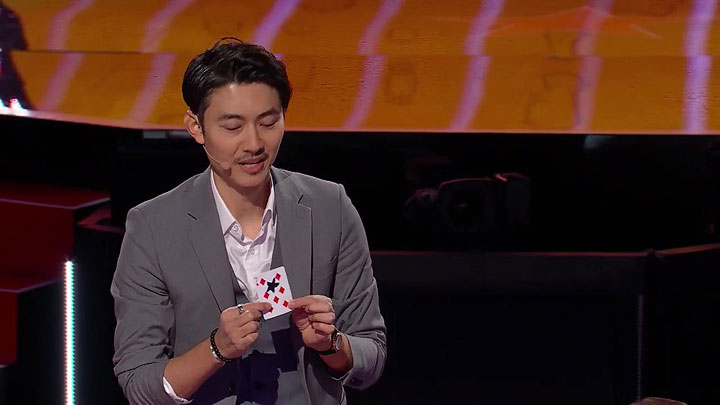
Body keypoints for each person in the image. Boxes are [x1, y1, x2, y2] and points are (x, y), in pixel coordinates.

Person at [111, 38, 386, 404]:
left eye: (268, 122)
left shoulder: (329, 208)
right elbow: (139, 383)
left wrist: (330, 344)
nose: (254, 143)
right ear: (196, 126)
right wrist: (217, 348)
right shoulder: (153, 227)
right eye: (232, 127)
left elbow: (372, 355)